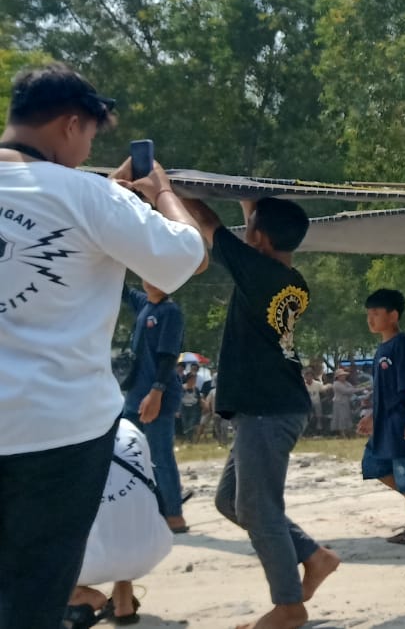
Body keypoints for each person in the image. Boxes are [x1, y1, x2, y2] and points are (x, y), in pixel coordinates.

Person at [1, 64, 208, 627]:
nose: (89, 147)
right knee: (36, 589)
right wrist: (159, 189)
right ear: (72, 123)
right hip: (58, 429)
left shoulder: (88, 195)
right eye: (91, 134)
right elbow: (183, 254)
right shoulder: (88, 196)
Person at [181, 193, 339, 627]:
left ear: (259, 238)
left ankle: (289, 606)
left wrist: (172, 191)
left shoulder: (255, 271)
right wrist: (251, 207)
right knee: (233, 503)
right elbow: (252, 236)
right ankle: (314, 556)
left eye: (250, 227)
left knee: (257, 506)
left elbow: (209, 223)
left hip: (268, 408)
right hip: (271, 406)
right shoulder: (290, 280)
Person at [62, 419, 175, 628]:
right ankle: (124, 602)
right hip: (148, 550)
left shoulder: (58, 432)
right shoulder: (130, 428)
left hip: (87, 565)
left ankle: (80, 595)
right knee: (122, 514)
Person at [358, 289, 405, 546]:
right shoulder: (381, 348)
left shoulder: (403, 345)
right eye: (369, 314)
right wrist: (372, 416)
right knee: (373, 465)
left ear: (393, 315)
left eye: (376, 313)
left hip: (403, 416)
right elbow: (383, 390)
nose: (371, 319)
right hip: (385, 419)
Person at [120, 280, 189, 534]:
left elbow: (168, 356)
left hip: (157, 394)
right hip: (134, 395)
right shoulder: (145, 304)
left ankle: (174, 515)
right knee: (128, 453)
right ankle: (144, 509)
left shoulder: (170, 312)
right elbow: (123, 290)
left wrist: (156, 391)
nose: (151, 281)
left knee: (160, 455)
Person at [330, 370, 358, 438]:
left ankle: (348, 433)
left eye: (344, 375)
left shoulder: (347, 383)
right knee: (340, 418)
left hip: (346, 403)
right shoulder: (336, 384)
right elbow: (346, 391)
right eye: (342, 375)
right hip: (339, 403)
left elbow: (352, 389)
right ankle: (342, 434)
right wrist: (358, 389)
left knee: (346, 417)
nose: (344, 377)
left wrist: (359, 388)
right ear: (338, 377)